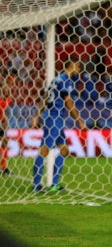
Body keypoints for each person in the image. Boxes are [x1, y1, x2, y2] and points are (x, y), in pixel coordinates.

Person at [31, 57, 87, 192]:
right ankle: (36, 185)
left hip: (54, 118)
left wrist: (37, 116)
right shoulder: (65, 81)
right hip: (53, 118)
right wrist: (80, 121)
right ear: (71, 65)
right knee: (44, 149)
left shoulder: (56, 79)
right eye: (78, 67)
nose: (79, 70)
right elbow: (68, 103)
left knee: (64, 150)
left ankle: (54, 184)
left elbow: (45, 98)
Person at [0, 79, 12, 175]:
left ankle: (4, 168)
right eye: (6, 87)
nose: (8, 89)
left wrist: (5, 125)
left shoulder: (8, 99)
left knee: (5, 143)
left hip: (2, 123)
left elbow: (5, 113)